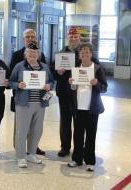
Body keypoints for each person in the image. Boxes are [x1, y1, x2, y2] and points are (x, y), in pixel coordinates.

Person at [53, 27, 100, 157]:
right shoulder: (61, 53)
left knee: (80, 123)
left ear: (79, 38)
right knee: (65, 121)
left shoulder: (86, 52)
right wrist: (58, 72)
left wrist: (95, 80)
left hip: (81, 95)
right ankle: (65, 147)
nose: (73, 39)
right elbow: (52, 72)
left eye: (76, 37)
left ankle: (79, 149)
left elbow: (97, 68)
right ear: (67, 38)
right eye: (71, 37)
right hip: (65, 94)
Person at [9, 41, 54, 168]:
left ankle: (32, 153)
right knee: (22, 131)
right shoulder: (19, 66)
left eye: (35, 53)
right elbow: (10, 82)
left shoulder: (44, 67)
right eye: (30, 52)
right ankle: (21, 156)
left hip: (40, 103)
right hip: (24, 103)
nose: (33, 55)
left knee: (37, 130)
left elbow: (52, 81)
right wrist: (18, 85)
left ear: (38, 54)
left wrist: (49, 86)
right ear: (25, 54)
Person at [67, 43, 107, 171]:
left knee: (91, 135)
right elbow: (72, 89)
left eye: (87, 52)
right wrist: (71, 84)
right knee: (77, 135)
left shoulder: (97, 68)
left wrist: (96, 83)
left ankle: (90, 161)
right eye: (82, 52)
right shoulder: (75, 69)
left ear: (91, 54)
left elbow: (104, 88)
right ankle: (76, 159)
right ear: (79, 55)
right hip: (78, 107)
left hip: (92, 109)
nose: (84, 54)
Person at [10, 28, 46, 156]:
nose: (30, 39)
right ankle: (19, 149)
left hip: (37, 98)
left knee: (35, 126)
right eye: (28, 37)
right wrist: (18, 86)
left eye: (32, 37)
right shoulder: (16, 55)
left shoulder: (41, 55)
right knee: (20, 126)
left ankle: (33, 148)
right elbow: (11, 78)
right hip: (22, 98)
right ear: (23, 39)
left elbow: (46, 75)